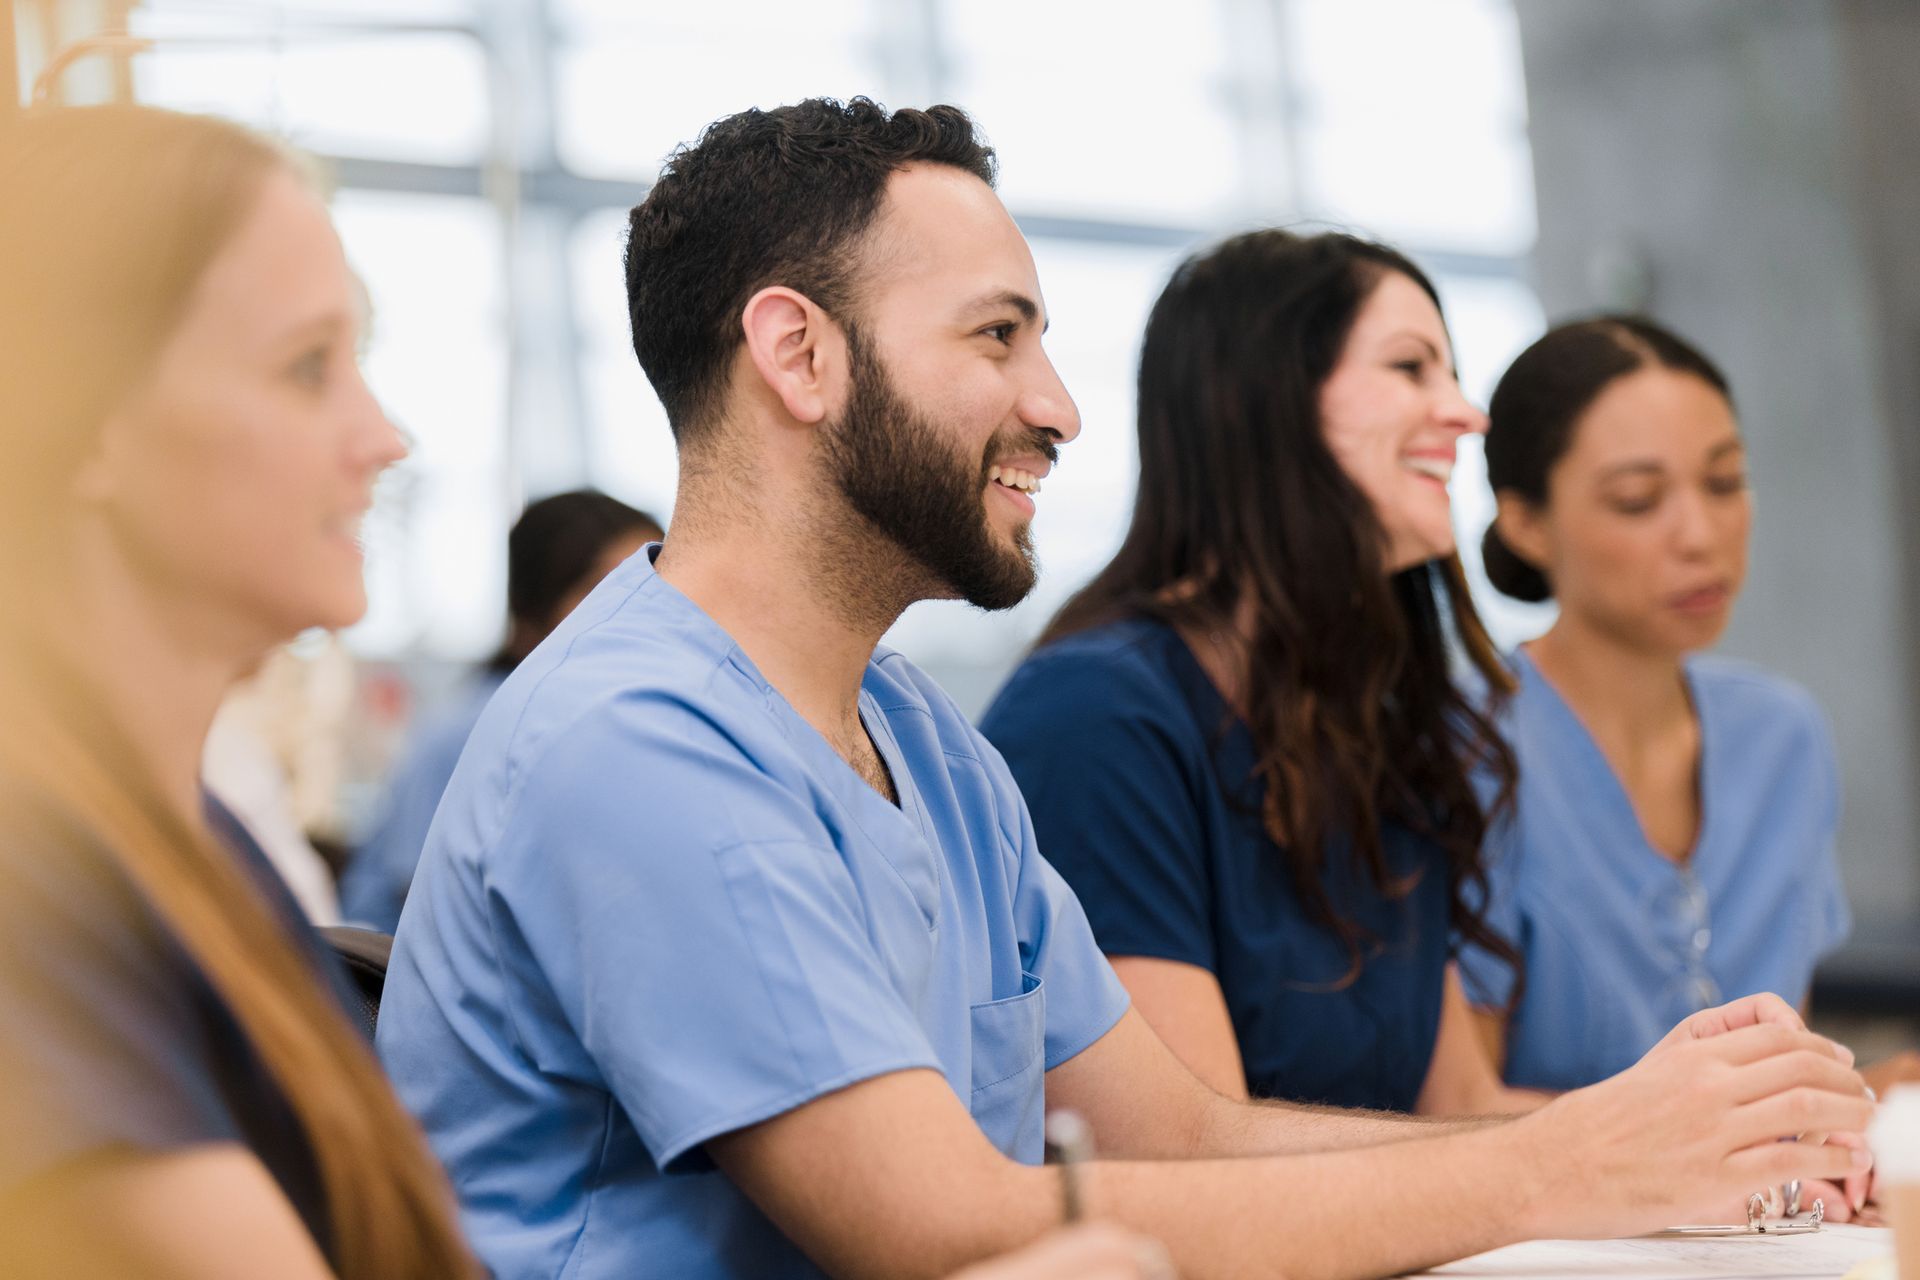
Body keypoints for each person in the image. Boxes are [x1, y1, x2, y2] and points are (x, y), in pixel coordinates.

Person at [377, 97, 1875, 1280]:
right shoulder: (639, 744)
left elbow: (1183, 1135)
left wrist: (1631, 1142)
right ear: (798, 355)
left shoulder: (922, 748)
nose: (1061, 406)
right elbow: (943, 1231)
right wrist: (1567, 1167)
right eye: (996, 335)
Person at [0, 105, 474, 1277]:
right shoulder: (32, 880)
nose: (383, 436)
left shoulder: (190, 836)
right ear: (89, 415)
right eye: (308, 366)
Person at [981, 229, 1537, 1118]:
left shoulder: (1371, 721)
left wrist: (1720, 1145)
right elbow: (1200, 1164)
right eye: (1411, 367)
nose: (1468, 414)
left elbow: (1462, 1110)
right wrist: (1599, 1156)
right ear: (1264, 403)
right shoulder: (1096, 718)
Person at [1459, 315, 1920, 1104]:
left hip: (1754, 1223)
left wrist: (1859, 1099)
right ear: (1528, 524)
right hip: (1549, 1227)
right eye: (1638, 501)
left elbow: (1776, 1071)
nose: (1701, 535)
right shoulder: (1465, 749)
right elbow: (1458, 1111)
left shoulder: (1782, 738)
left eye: (1725, 482)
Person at [338, 488, 661, 932]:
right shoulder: (472, 732)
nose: (639, 610)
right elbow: (415, 904)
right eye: (602, 590)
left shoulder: (628, 715)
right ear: (533, 610)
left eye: (655, 581)